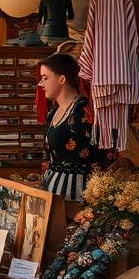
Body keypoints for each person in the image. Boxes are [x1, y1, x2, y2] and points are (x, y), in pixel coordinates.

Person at [38, 53, 104, 200]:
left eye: (45, 78)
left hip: (77, 195)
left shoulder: (83, 110)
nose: (41, 84)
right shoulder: (53, 112)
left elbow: (96, 156)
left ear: (62, 79)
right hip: (52, 192)